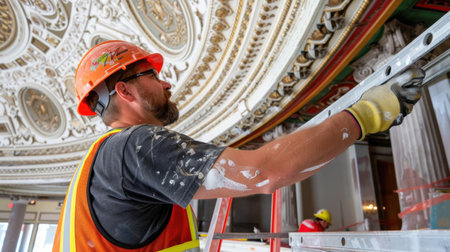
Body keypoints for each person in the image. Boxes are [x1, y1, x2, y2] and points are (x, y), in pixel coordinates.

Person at [52, 40, 425, 251]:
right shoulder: (135, 147)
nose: (166, 85)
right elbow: (264, 172)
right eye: (153, 75)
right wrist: (369, 114)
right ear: (125, 90)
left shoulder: (98, 163)